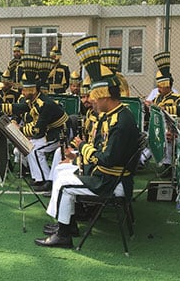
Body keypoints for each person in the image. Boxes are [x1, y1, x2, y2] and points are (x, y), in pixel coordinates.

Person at [35, 35, 139, 248]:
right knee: (62, 172)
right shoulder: (115, 115)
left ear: (105, 96)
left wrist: (82, 147)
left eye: (94, 96)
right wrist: (78, 156)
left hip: (112, 182)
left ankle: (63, 235)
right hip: (106, 175)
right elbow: (103, 151)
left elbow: (108, 159)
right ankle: (67, 223)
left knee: (64, 184)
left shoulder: (121, 121)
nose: (90, 100)